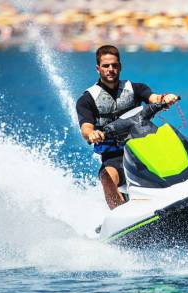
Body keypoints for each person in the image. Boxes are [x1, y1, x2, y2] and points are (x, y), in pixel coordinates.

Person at [76, 45, 178, 209]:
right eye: (106, 66)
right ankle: (120, 215)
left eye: (114, 65)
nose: (111, 69)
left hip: (145, 146)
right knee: (107, 177)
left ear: (120, 66)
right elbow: (85, 128)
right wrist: (92, 134)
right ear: (98, 68)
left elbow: (154, 98)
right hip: (115, 156)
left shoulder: (136, 88)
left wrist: (165, 98)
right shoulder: (87, 100)